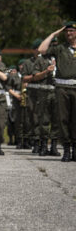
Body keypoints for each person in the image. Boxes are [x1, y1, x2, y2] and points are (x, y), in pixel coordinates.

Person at [38, 21, 76, 162]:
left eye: (71, 31)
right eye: (66, 31)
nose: (69, 33)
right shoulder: (60, 48)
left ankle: (75, 150)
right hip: (62, 89)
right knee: (63, 119)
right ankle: (66, 149)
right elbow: (42, 50)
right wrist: (53, 34)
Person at [24, 39, 59, 157]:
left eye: (55, 45)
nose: (54, 47)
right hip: (44, 91)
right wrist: (46, 71)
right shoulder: (41, 59)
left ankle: (54, 146)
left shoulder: (62, 58)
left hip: (59, 91)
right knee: (43, 119)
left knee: (57, 120)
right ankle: (43, 145)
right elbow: (35, 76)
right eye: (51, 45)